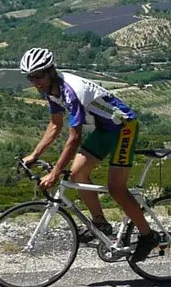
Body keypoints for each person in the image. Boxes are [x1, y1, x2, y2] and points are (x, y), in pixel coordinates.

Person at [18, 47, 162, 260]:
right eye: (31, 78)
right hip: (105, 129)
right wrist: (34, 155)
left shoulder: (70, 91)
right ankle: (101, 224)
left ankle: (148, 235)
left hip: (124, 128)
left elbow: (74, 138)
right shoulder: (50, 89)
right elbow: (55, 125)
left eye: (38, 76)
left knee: (116, 189)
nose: (35, 82)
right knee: (77, 176)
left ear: (50, 71)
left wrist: (55, 173)